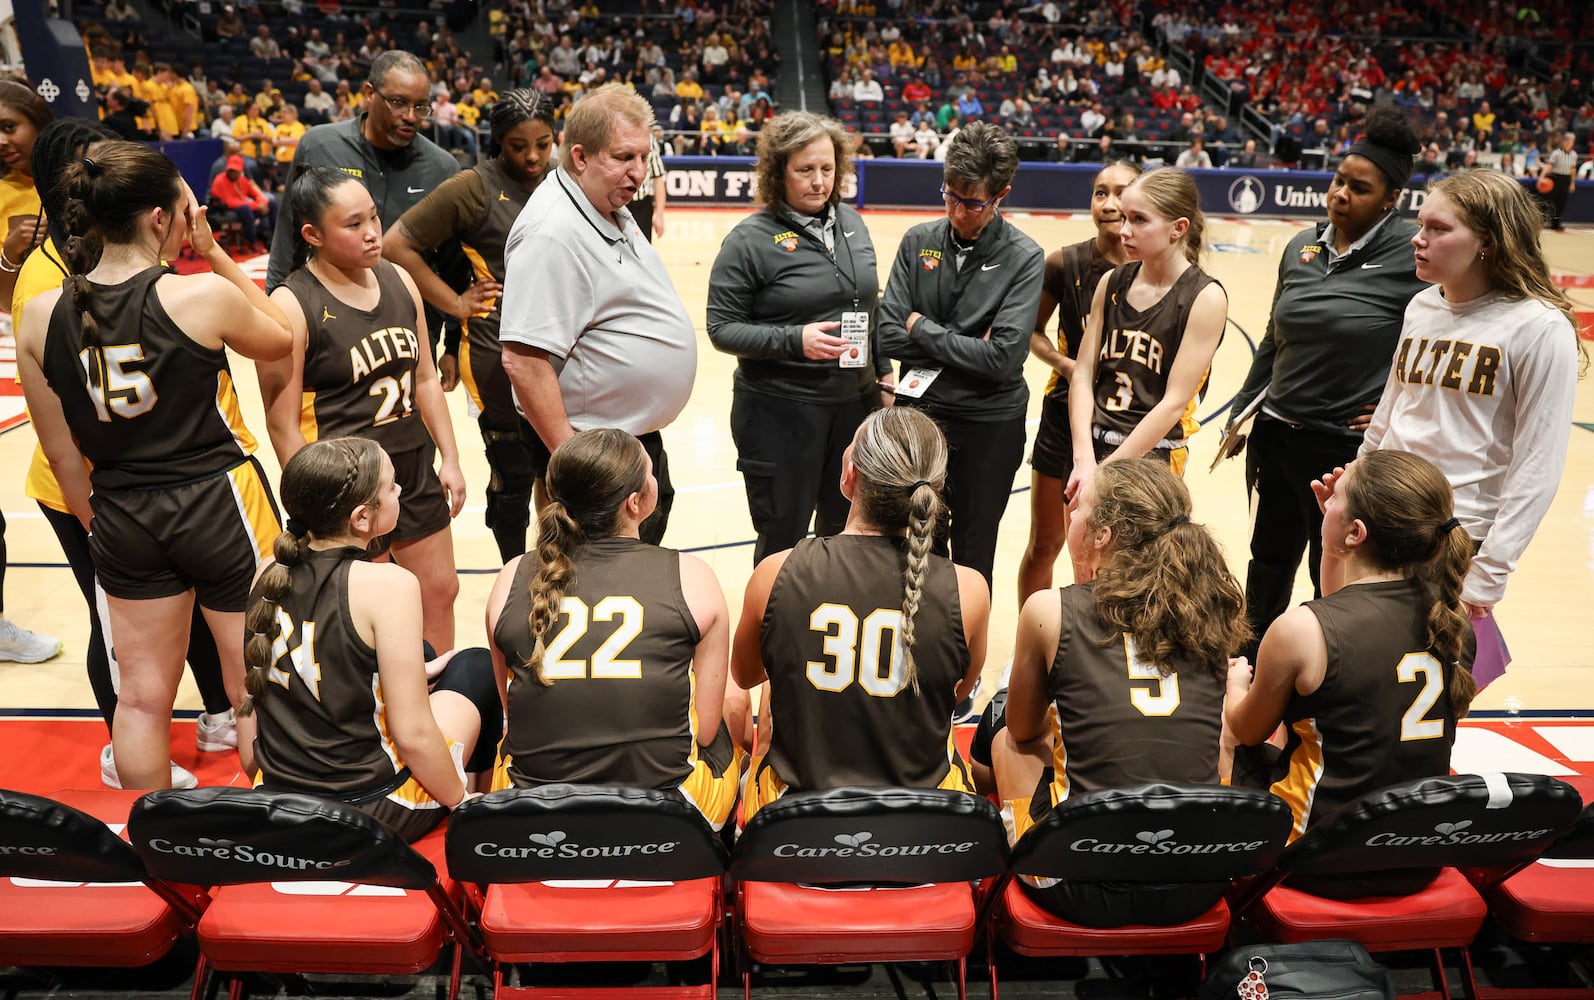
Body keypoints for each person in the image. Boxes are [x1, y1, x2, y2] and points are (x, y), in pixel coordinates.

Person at [16, 140, 292, 789]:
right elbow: (281, 335)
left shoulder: (36, 316)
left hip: (118, 510)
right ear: (160, 219)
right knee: (257, 685)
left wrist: (105, 527)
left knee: (140, 700)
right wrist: (217, 251)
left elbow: (61, 457)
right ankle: (281, 830)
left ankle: (158, 852)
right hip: (219, 499)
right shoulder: (198, 297)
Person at [992, 458, 1246, 927]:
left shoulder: (1049, 609)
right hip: (1197, 883)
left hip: (1080, 888)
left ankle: (1011, 863)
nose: (1072, 513)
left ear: (1103, 535)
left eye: (1078, 507)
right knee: (1221, 729)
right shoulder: (1211, 608)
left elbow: (1023, 727)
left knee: (1006, 739)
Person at [1228, 107, 1427, 658]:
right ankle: (1249, 667)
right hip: (1277, 434)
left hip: (1341, 448)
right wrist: (1244, 406)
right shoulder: (1302, 247)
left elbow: (1440, 333)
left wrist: (1398, 405)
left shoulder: (1411, 255)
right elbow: (1274, 336)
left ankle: (1328, 672)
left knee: (1331, 570)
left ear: (1391, 199)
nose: (1340, 194)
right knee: (1267, 559)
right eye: (1338, 181)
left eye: (1359, 188)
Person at [731, 408, 991, 821]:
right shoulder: (970, 588)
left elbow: (745, 675)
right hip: (921, 827)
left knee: (755, 693)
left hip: (794, 826)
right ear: (935, 489)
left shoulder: (776, 571)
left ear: (849, 474)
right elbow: (958, 696)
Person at [1225, 451, 1476, 869]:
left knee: (1226, 724)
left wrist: (1234, 687)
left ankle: (1223, 896)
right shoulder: (1451, 617)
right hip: (1417, 857)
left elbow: (1247, 730)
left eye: (1337, 496)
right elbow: (1343, 609)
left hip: (1316, 859)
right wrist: (1336, 538)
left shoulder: (1298, 630)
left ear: (1358, 532)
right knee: (1320, 715)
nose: (1326, 497)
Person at [243, 437, 500, 842]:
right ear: (362, 518)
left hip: (279, 798)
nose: (400, 491)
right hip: (372, 809)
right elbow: (413, 735)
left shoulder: (268, 570)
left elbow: (255, 709)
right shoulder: (389, 584)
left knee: (426, 654)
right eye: (392, 485)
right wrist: (459, 801)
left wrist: (414, 672)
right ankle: (480, 806)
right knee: (476, 667)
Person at [486, 429, 743, 830]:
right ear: (637, 502)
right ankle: (725, 855)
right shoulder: (693, 576)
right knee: (733, 698)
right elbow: (706, 732)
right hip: (664, 813)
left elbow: (511, 710)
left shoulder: (511, 576)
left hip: (534, 806)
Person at [258, 166, 465, 651]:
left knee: (439, 590)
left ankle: (436, 699)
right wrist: (320, 503)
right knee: (370, 610)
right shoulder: (292, 303)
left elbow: (427, 378)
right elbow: (282, 424)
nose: (373, 232)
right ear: (313, 234)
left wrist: (451, 458)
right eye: (353, 224)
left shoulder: (398, 278)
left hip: (412, 467)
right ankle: (381, 707)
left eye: (373, 216)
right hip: (350, 484)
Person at [1361, 169, 1582, 619]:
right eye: (1421, 225)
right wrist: (1355, 483)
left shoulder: (1538, 326)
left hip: (1455, 533)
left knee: (1431, 681)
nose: (1417, 239)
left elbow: (1538, 462)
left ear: (1488, 241)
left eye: (1438, 229)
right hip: (1383, 512)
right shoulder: (1422, 306)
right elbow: (1391, 409)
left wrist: (1491, 570)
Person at [499, 83, 697, 546]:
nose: (638, 173)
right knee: (591, 586)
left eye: (643, 158)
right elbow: (523, 362)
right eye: (624, 157)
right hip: (594, 450)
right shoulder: (552, 233)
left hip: (625, 439)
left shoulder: (605, 204)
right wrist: (574, 461)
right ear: (581, 157)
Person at [706, 112, 887, 565]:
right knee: (782, 540)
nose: (819, 181)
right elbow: (722, 328)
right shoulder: (748, 240)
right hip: (780, 414)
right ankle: (773, 633)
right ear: (777, 172)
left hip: (852, 409)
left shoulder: (853, 224)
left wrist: (883, 379)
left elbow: (870, 306)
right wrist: (794, 340)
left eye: (827, 168)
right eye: (805, 170)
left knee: (845, 534)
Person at [386, 90, 557, 563]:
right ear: (498, 141)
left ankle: (554, 569)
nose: (533, 156)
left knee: (558, 470)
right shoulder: (473, 187)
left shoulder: (564, 180)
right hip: (494, 350)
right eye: (519, 145)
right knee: (513, 474)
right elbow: (394, 245)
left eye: (543, 143)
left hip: (560, 346)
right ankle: (512, 572)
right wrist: (456, 303)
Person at [876, 121, 1044, 591]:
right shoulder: (917, 240)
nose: (958, 211)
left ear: (1001, 195)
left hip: (989, 423)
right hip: (921, 414)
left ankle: (966, 660)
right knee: (918, 545)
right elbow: (888, 334)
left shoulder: (1025, 257)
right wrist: (968, 342)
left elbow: (1004, 360)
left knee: (973, 552)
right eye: (949, 195)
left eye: (973, 202)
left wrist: (921, 325)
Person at [1016, 160, 1139, 607]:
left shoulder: (1159, 272)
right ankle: (1034, 636)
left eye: (1120, 192)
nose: (1108, 203)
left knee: (1107, 556)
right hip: (1063, 416)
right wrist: (1067, 365)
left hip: (1129, 422)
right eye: (1099, 193)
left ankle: (1093, 648)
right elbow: (1032, 330)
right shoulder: (1063, 263)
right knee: (1047, 543)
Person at [1067, 167, 1227, 500]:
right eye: (1125, 218)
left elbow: (1173, 403)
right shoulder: (1112, 282)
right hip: (1093, 447)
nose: (1124, 230)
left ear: (1178, 228)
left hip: (1153, 457)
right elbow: (1082, 373)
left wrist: (1107, 470)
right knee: (1083, 554)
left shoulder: (1204, 297)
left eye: (1139, 220)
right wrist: (1083, 458)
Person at [265, 50, 461, 294]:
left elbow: (452, 262)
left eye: (420, 107)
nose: (410, 117)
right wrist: (275, 300)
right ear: (369, 93)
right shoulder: (318, 146)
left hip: (413, 319)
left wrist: (449, 325)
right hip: (329, 314)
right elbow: (288, 236)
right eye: (398, 103)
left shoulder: (443, 168)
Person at [208, 153, 272, 252]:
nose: (233, 173)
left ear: (240, 170)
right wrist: (256, 206)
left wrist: (263, 202)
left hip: (245, 205)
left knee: (271, 203)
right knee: (246, 210)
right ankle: (252, 242)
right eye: (231, 170)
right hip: (225, 208)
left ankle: (270, 238)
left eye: (235, 171)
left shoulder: (242, 180)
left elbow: (255, 193)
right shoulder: (220, 180)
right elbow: (230, 202)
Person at [629, 126, 668, 243]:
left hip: (642, 206)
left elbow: (658, 178)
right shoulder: (612, 136)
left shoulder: (650, 140)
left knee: (643, 255)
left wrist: (659, 215)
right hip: (616, 206)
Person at [1538, 131, 1578, 231]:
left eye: (1572, 141)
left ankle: (1556, 224)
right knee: (1546, 201)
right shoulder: (1556, 153)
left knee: (1561, 203)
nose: (1569, 143)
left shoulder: (1574, 155)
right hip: (1554, 178)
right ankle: (1540, 222)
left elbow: (1573, 169)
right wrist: (1541, 177)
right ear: (1564, 141)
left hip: (1566, 179)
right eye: (1568, 141)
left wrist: (1572, 182)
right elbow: (1548, 166)